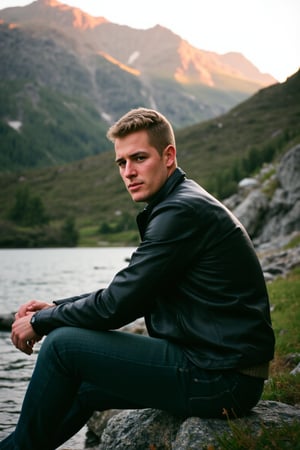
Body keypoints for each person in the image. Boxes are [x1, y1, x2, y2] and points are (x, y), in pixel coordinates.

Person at [0, 108, 275, 450]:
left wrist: (42, 321)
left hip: (222, 379)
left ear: (168, 156)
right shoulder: (179, 203)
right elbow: (129, 290)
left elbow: (117, 305)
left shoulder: (180, 211)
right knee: (83, 387)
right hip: (218, 367)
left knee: (61, 346)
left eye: (139, 158)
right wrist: (56, 306)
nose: (128, 172)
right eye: (121, 163)